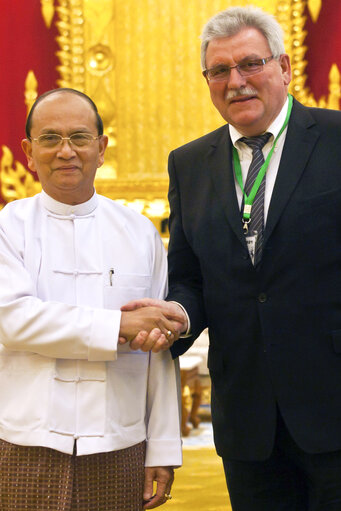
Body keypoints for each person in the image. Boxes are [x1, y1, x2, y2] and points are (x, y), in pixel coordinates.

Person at [121, 6, 341, 510]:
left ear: (283, 67)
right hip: (248, 422)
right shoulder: (189, 163)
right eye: (219, 71)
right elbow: (191, 278)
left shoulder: (335, 139)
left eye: (250, 64)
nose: (236, 81)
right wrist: (176, 315)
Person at [0, 87, 182, 510]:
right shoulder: (9, 227)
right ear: (28, 151)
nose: (66, 151)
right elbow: (11, 319)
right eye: (50, 138)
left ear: (101, 148)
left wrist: (163, 449)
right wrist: (119, 326)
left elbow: (160, 352)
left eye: (80, 138)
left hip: (120, 441)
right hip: (26, 439)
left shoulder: (139, 232)